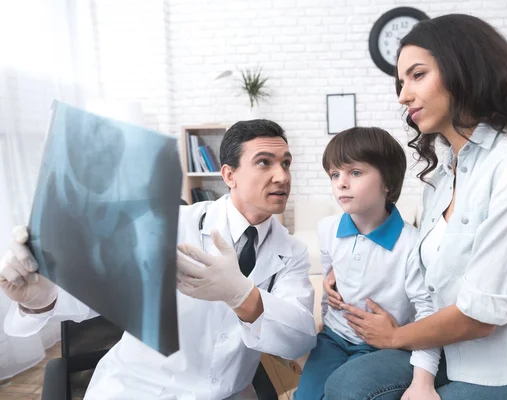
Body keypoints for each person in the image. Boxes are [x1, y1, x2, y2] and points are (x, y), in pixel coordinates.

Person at [322, 14, 507, 399]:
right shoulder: (444, 177)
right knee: (347, 384)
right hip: (463, 357)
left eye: (417, 75)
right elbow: (433, 289)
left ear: (465, 71)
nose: (402, 96)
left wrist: (396, 335)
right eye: (401, 83)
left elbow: (481, 314)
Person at [0, 119, 317, 400]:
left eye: (286, 163)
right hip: (139, 388)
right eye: (265, 162)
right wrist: (41, 298)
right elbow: (103, 285)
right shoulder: (170, 225)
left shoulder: (291, 251)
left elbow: (298, 338)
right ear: (229, 175)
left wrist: (242, 296)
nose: (282, 176)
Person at [294, 127, 441, 400]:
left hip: (382, 346)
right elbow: (329, 271)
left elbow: (428, 314)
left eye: (355, 173)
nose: (341, 183)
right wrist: (329, 291)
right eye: (335, 174)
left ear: (388, 183)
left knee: (344, 392)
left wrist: (424, 380)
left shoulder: (411, 244)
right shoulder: (327, 229)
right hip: (333, 338)